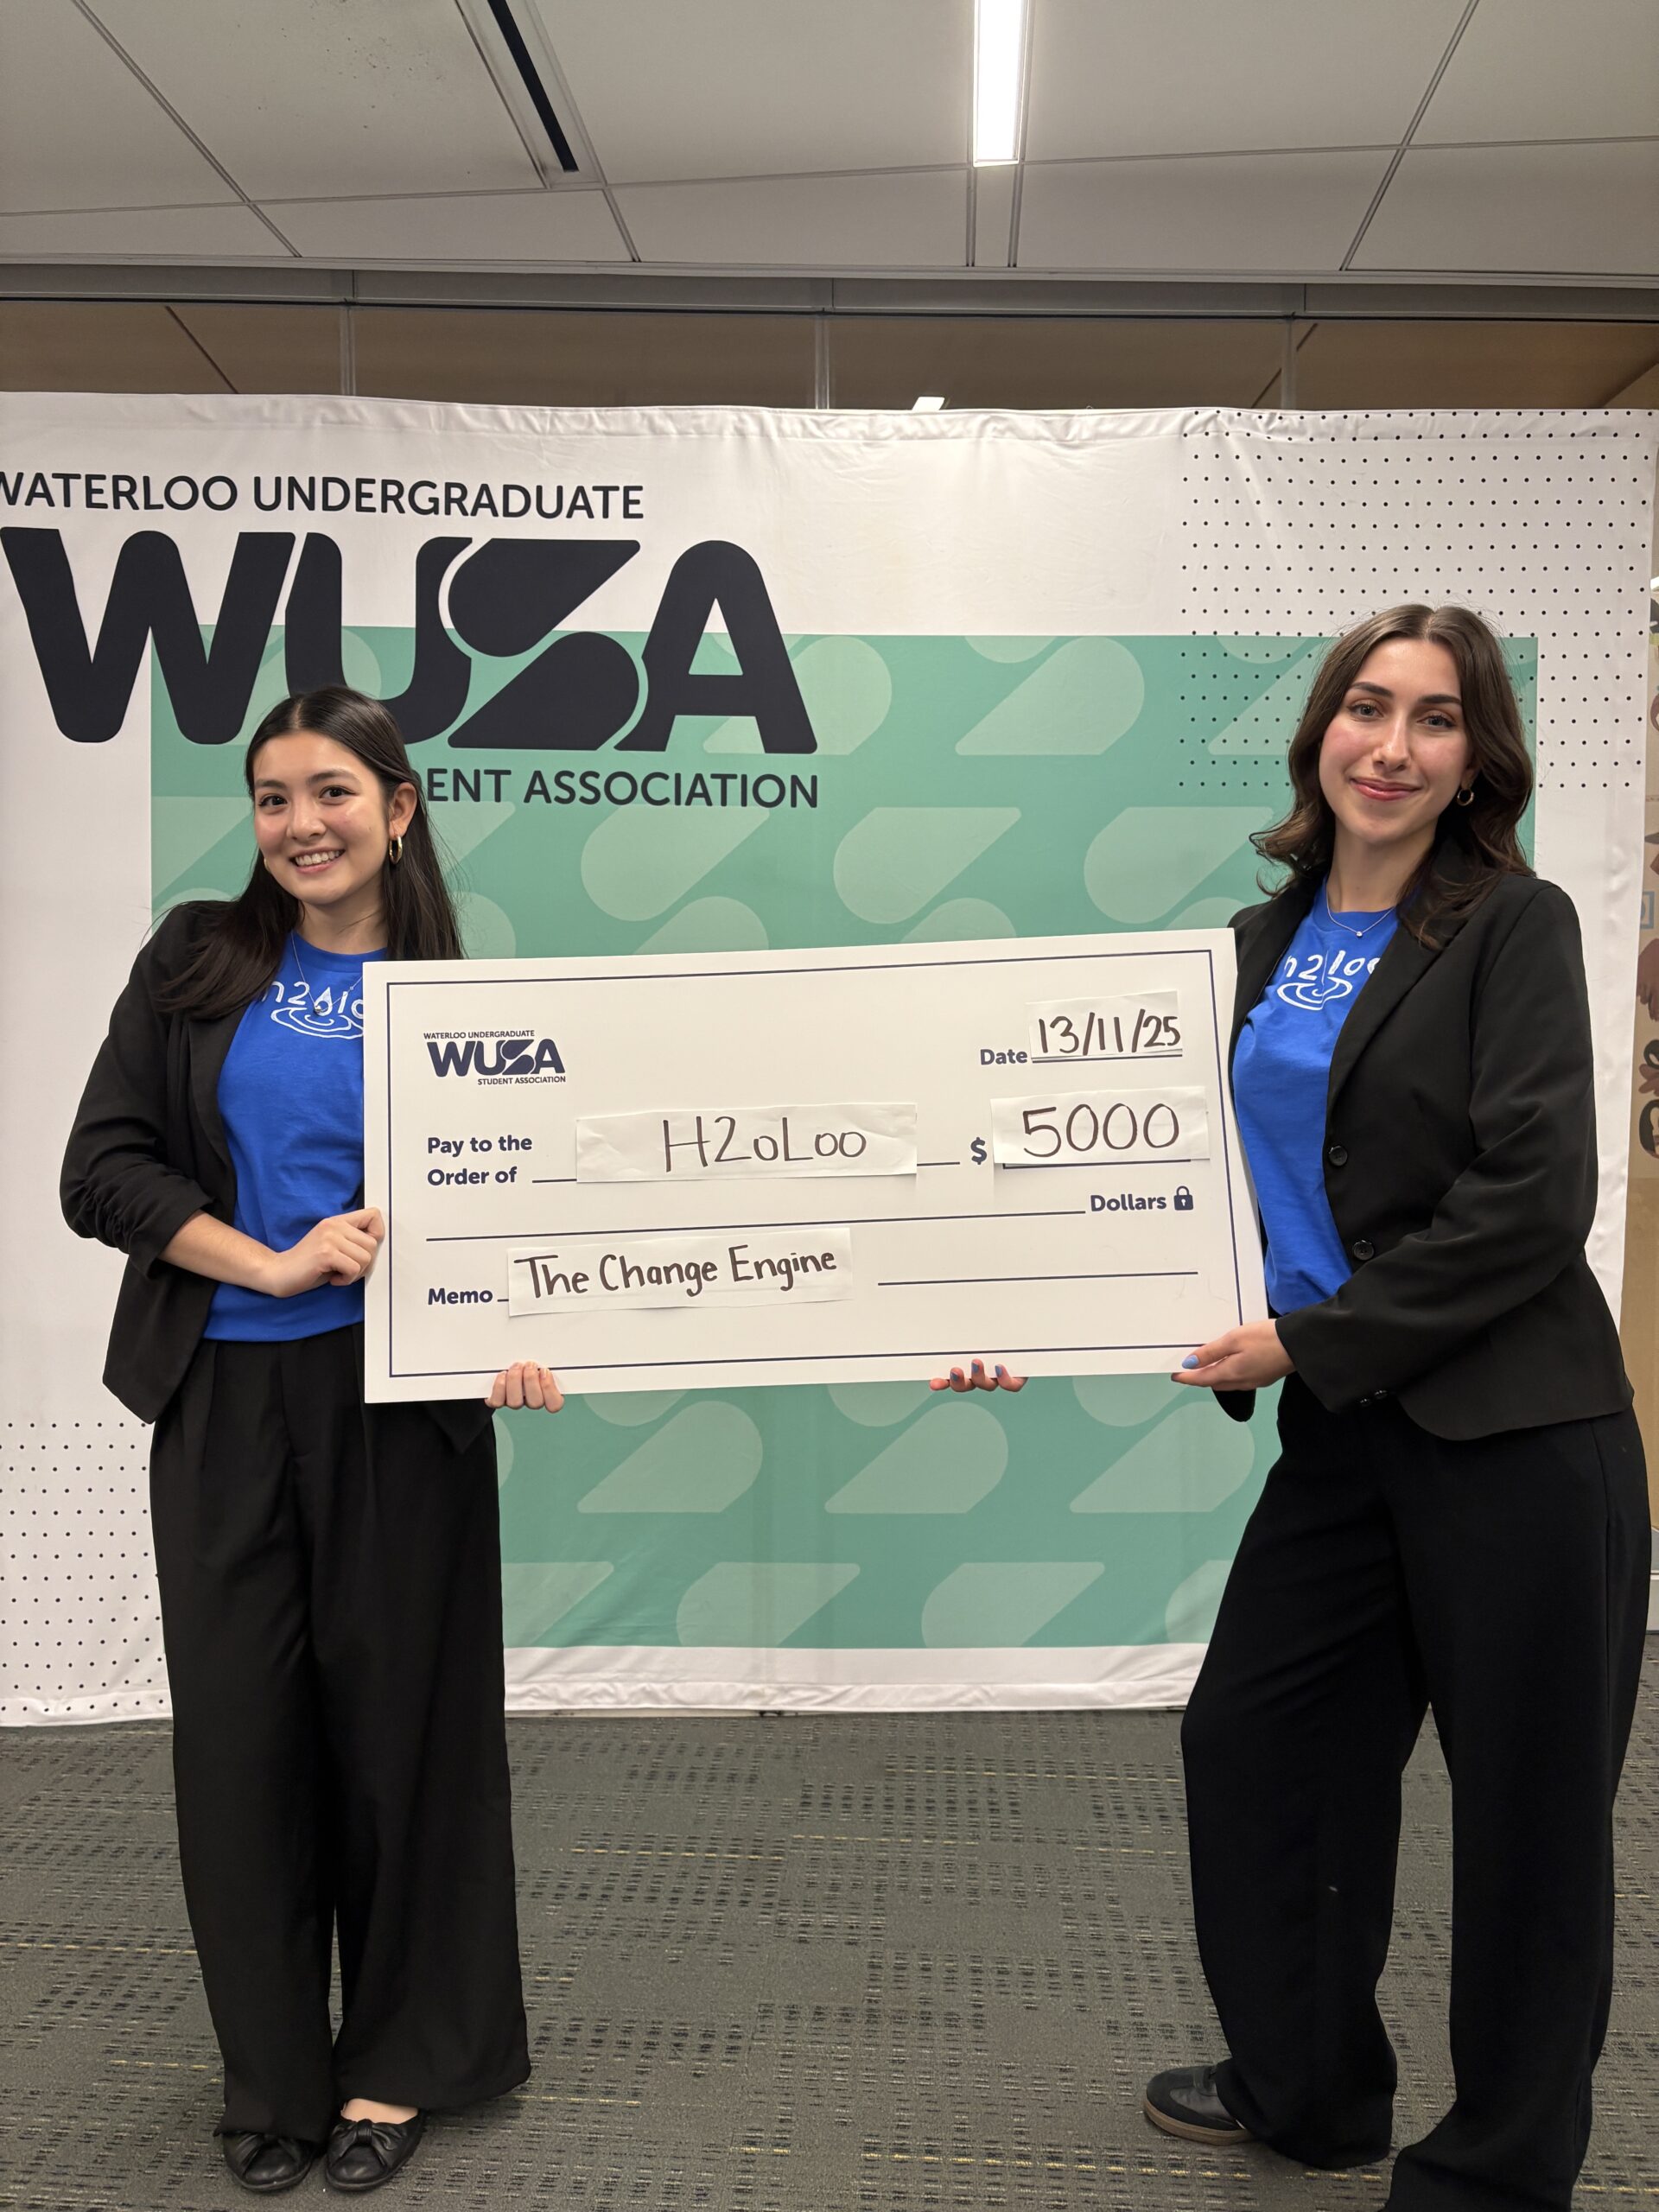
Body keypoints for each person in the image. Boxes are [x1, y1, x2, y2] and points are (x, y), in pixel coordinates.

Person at [939, 604, 1649, 2209]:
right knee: (1261, 1747)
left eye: (1438, 718)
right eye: (1367, 708)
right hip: (1348, 1435)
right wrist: (1002, 1307)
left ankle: (1493, 2172)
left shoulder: (1511, 924)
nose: (1392, 746)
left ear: (1481, 759)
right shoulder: (1252, 947)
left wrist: (1310, 1344)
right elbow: (1167, 1199)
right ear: (1318, 729)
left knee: (1529, 1829)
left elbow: (1535, 1193)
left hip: (1520, 1442)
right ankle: (1310, 2090)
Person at [61, 687, 563, 2196]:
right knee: (239, 1747)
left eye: (332, 793)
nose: (301, 826)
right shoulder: (198, 962)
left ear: (399, 809)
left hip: (400, 1419)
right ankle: (272, 2076)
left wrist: (535, 1333)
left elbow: (528, 1220)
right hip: (223, 1403)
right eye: (274, 798)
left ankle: (403, 2065)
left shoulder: (464, 1001)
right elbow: (104, 1170)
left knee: (404, 1743)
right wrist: (263, 1261)